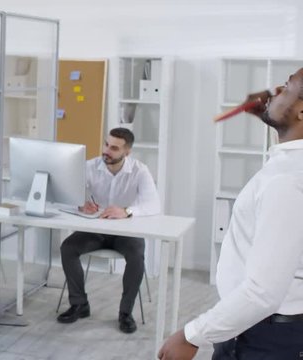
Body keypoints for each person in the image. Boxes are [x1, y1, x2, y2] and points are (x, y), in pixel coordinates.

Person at [158, 70, 303, 360]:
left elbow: (263, 292)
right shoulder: (289, 168)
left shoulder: (288, 181)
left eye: (286, 88)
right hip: (259, 327)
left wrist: (192, 335)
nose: (274, 88)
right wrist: (275, 110)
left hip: (265, 337)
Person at [57, 127, 161, 334]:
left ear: (127, 152)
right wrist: (80, 204)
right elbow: (65, 194)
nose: (107, 151)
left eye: (114, 148)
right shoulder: (90, 166)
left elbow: (154, 206)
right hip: (97, 228)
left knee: (137, 256)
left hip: (126, 231)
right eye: (106, 144)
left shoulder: (140, 171)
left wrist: (127, 211)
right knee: (68, 248)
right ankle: (80, 305)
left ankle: (125, 313)